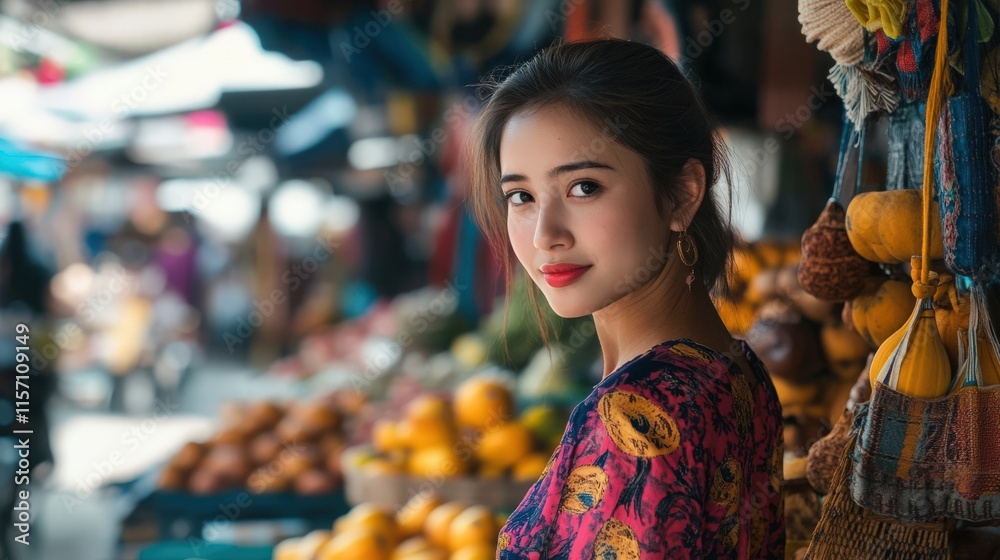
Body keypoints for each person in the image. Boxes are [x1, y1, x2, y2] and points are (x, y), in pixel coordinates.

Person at [467, 39, 784, 558]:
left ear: (681, 194)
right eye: (520, 196)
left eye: (584, 187)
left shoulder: (637, 417)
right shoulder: (739, 370)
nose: (546, 233)